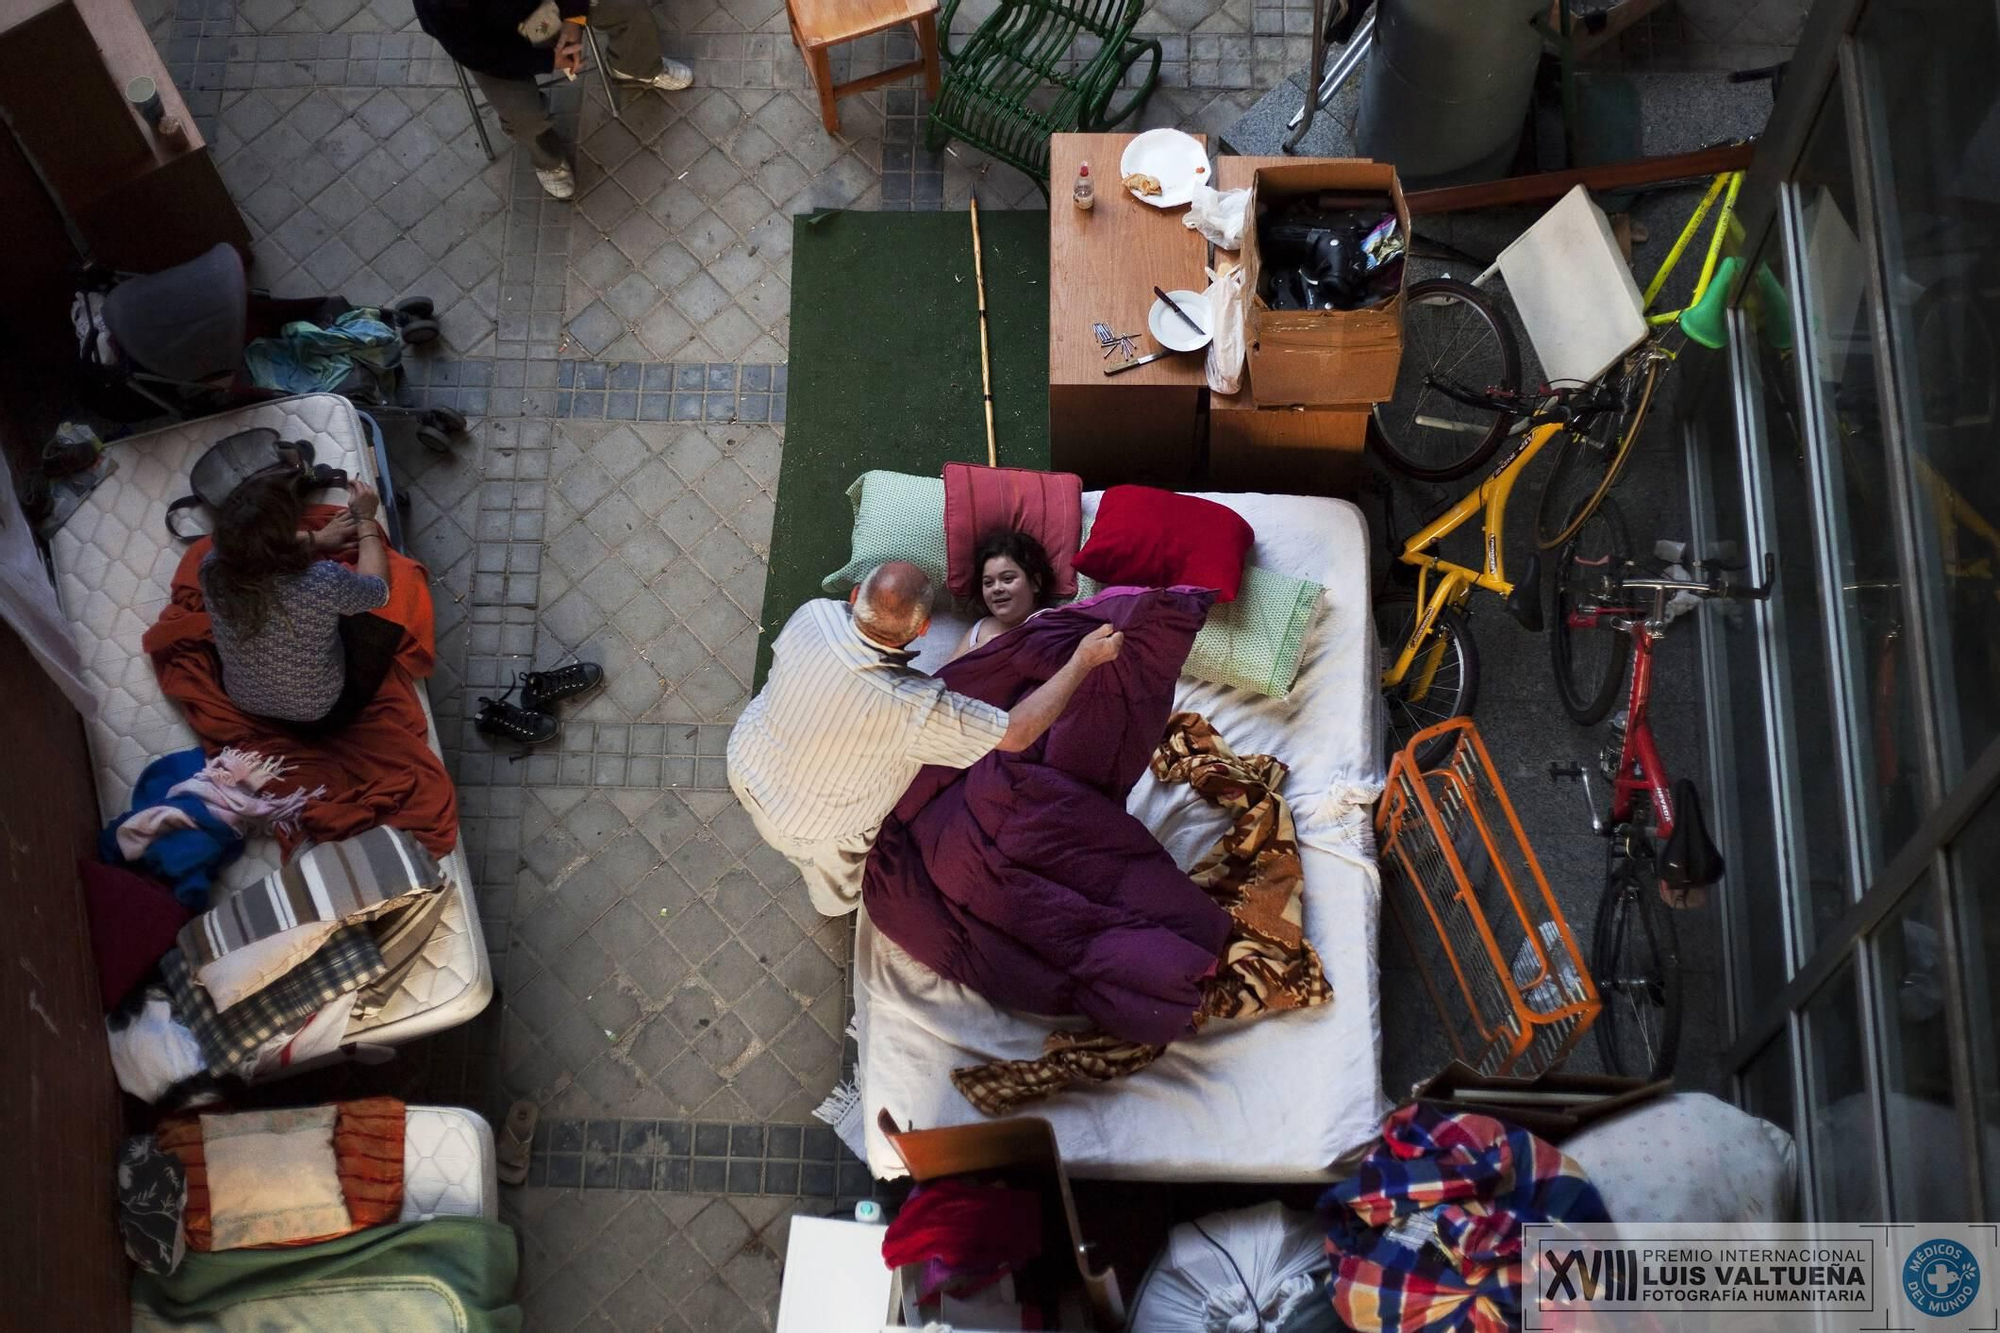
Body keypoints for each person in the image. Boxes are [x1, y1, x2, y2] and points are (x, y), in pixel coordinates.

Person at [727, 561, 1124, 916]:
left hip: (744, 757)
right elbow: (1017, 732)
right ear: (923, 629)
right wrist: (1082, 661)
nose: (999, 590)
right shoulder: (915, 708)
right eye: (991, 581)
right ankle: (836, 907)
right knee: (835, 893)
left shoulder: (813, 614)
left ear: (853, 596)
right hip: (809, 826)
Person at [414, 0, 694, 200]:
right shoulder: (437, 8)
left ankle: (635, 66)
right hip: (497, 45)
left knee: (627, 7)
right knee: (525, 119)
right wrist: (548, 61)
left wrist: (574, 19)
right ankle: (547, 160)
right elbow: (482, 56)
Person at [200, 474, 401, 735]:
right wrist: (365, 521)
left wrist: (317, 539)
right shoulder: (322, 580)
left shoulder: (210, 566)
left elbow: (252, 545)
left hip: (244, 701)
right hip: (323, 714)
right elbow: (379, 591)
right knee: (396, 592)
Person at [950, 529, 1057, 662]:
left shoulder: (1052, 623)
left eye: (1007, 579)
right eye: (988, 583)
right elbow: (941, 679)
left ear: (1036, 583)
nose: (997, 589)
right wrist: (979, 650)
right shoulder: (979, 630)